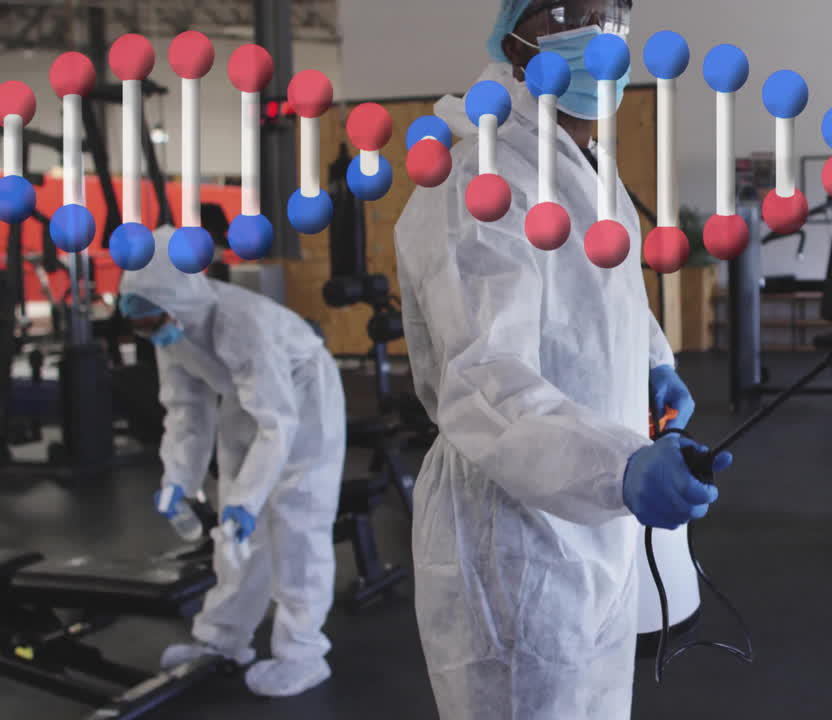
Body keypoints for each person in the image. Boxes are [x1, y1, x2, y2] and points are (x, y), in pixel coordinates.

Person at [393, 1, 726, 717]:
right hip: (515, 545)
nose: (602, 37)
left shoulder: (586, 166)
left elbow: (607, 299)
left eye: (616, 16)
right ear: (515, 39)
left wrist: (651, 362)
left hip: (597, 523)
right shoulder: (480, 176)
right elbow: (485, 380)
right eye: (572, 13)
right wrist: (618, 466)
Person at [117, 226, 346, 697]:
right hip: (245, 399)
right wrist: (179, 479)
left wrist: (249, 498)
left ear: (174, 300)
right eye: (138, 324)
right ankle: (222, 639)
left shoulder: (242, 323)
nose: (148, 331)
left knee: (297, 520)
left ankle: (303, 653)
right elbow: (186, 411)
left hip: (304, 397)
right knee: (235, 531)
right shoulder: (171, 330)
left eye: (151, 319)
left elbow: (277, 425)